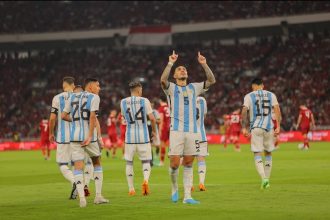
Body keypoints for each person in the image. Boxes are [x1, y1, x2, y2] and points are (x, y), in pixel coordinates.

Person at [160, 51, 216, 204]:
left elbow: (211, 80)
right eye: (179, 70)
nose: (182, 70)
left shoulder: (195, 87)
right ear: (175, 76)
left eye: (184, 69)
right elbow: (162, 80)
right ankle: (174, 188)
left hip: (192, 131)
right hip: (176, 130)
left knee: (189, 162)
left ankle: (187, 197)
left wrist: (204, 64)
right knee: (174, 163)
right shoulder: (170, 88)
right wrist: (170, 63)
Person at [62, 78, 108, 207]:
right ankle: (98, 196)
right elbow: (93, 117)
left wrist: (77, 122)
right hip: (89, 136)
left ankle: (82, 199)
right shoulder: (94, 97)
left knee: (77, 166)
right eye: (98, 86)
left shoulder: (72, 97)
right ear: (91, 86)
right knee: (97, 162)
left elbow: (63, 116)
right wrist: (89, 135)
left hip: (74, 136)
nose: (99, 88)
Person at [241, 78, 281, 190]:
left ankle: (263, 178)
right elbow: (277, 109)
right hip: (269, 127)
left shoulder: (249, 96)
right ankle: (267, 179)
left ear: (253, 86)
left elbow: (244, 111)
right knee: (268, 153)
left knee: (257, 153)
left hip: (256, 127)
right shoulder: (271, 95)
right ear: (262, 85)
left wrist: (244, 127)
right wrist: (278, 125)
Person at [120, 81, 157, 196]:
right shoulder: (144, 101)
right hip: (143, 136)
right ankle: (145, 181)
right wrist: (154, 132)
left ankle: (131, 189)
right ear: (138, 90)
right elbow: (152, 118)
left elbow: (124, 118)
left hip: (130, 136)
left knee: (129, 162)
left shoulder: (123, 102)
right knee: (146, 161)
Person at [49, 76, 76, 199]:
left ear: (63, 85)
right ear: (73, 85)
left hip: (63, 136)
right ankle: (78, 189)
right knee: (77, 164)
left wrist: (51, 133)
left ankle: (75, 182)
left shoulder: (57, 98)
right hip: (77, 135)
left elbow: (52, 118)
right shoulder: (79, 97)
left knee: (62, 164)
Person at [195, 96, 208, 191]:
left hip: (190, 134)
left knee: (189, 159)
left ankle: (189, 184)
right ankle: (201, 183)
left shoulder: (185, 99)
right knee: (201, 158)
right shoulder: (202, 100)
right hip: (201, 134)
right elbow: (204, 115)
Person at [157, 95, 170, 166]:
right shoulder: (170, 107)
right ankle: (178, 160)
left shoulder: (161, 108)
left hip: (165, 128)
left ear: (160, 101)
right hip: (171, 127)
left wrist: (159, 130)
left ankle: (161, 162)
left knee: (162, 144)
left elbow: (161, 120)